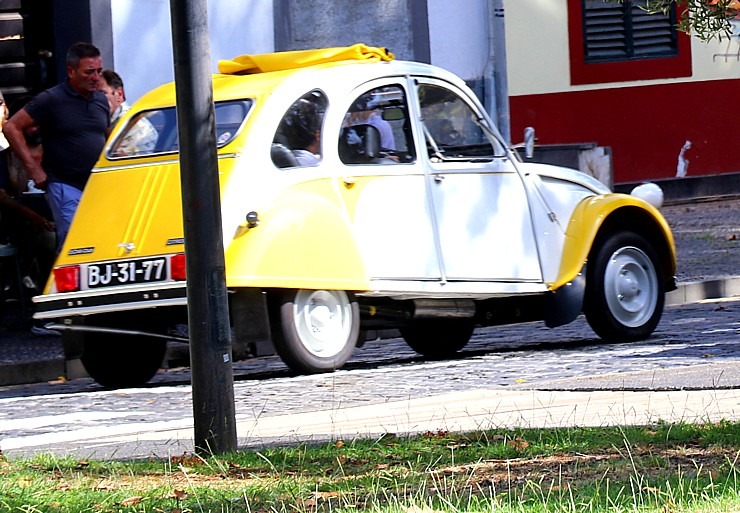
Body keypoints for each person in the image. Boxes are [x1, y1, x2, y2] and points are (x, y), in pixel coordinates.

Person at [3, 42, 110, 251]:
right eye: (89, 72)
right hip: (65, 183)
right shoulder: (52, 99)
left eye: (99, 71)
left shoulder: (100, 100)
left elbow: (106, 134)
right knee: (75, 244)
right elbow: (11, 127)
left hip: (97, 184)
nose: (96, 77)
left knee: (100, 241)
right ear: (71, 71)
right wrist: (34, 169)